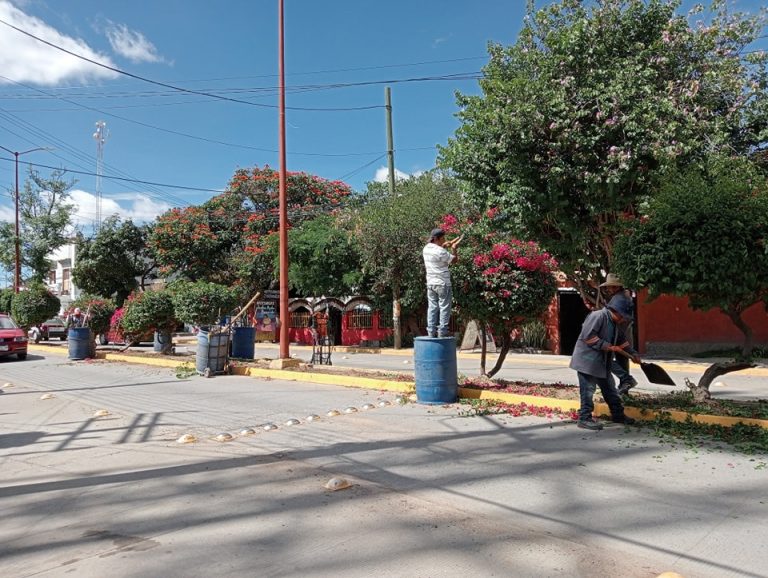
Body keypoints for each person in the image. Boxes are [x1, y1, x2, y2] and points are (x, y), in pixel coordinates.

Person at [569, 293, 641, 431]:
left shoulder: (615, 323)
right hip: (587, 363)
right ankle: (584, 418)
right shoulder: (598, 316)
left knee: (610, 390)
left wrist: (633, 353)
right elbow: (588, 337)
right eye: (622, 316)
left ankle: (618, 415)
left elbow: (622, 341)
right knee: (588, 391)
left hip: (602, 363)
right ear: (614, 310)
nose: (622, 319)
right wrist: (607, 346)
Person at [597, 273, 638, 396]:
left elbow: (613, 316)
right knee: (622, 361)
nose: (608, 289)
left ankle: (626, 380)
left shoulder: (619, 299)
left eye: (610, 287)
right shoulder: (623, 296)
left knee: (603, 358)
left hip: (616, 333)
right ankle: (624, 388)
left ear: (615, 287)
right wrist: (632, 352)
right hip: (621, 334)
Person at [422, 228, 462, 338]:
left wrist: (444, 245)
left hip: (431, 283)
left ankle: (431, 331)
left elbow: (438, 253)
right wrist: (454, 249)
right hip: (443, 283)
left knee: (432, 307)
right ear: (436, 238)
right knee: (444, 307)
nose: (444, 240)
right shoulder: (440, 251)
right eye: (442, 238)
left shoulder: (426, 248)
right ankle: (442, 332)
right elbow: (454, 261)